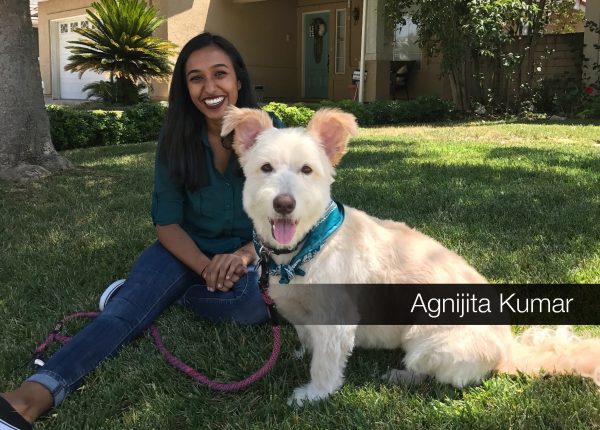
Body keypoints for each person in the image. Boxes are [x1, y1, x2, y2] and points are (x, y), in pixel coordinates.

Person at [0, 32, 283, 430]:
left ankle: (171, 297)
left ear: (238, 78)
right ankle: (27, 398)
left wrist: (242, 256)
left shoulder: (271, 133)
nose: (210, 87)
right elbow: (166, 224)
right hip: (181, 251)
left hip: (247, 251)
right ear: (186, 89)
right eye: (196, 78)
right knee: (122, 315)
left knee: (254, 307)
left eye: (220, 74)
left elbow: (287, 215)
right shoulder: (176, 140)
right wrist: (205, 268)